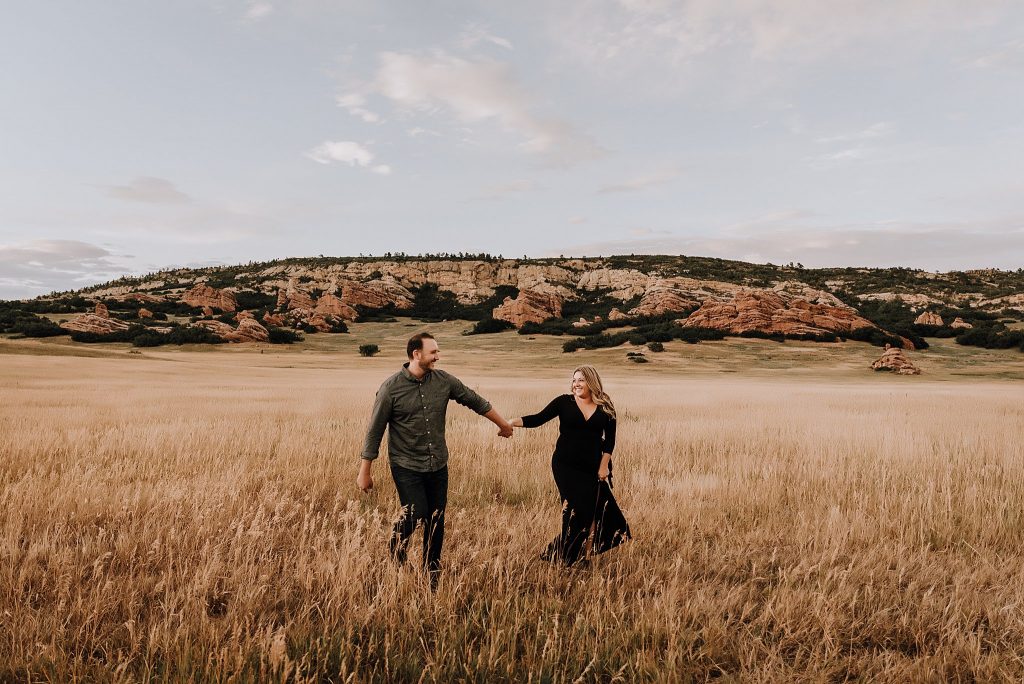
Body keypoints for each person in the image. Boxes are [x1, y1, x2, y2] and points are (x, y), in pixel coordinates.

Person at [358, 332, 513, 587]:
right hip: (406, 464)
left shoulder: (444, 381)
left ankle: (432, 571)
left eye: (437, 352)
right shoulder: (390, 388)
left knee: (437, 518)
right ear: (416, 354)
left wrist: (503, 425)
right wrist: (365, 471)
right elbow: (375, 431)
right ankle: (395, 551)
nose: (437, 357)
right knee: (416, 513)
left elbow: (474, 400)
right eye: (433, 352)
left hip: (438, 463)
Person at [511, 365, 630, 567]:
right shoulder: (563, 402)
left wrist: (604, 467)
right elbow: (538, 419)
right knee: (575, 510)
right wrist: (510, 422)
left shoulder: (606, 405)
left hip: (591, 468)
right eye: (574, 380)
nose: (576, 384)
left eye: (581, 380)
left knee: (594, 514)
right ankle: (565, 557)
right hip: (565, 466)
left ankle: (584, 558)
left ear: (591, 381)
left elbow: (610, 441)